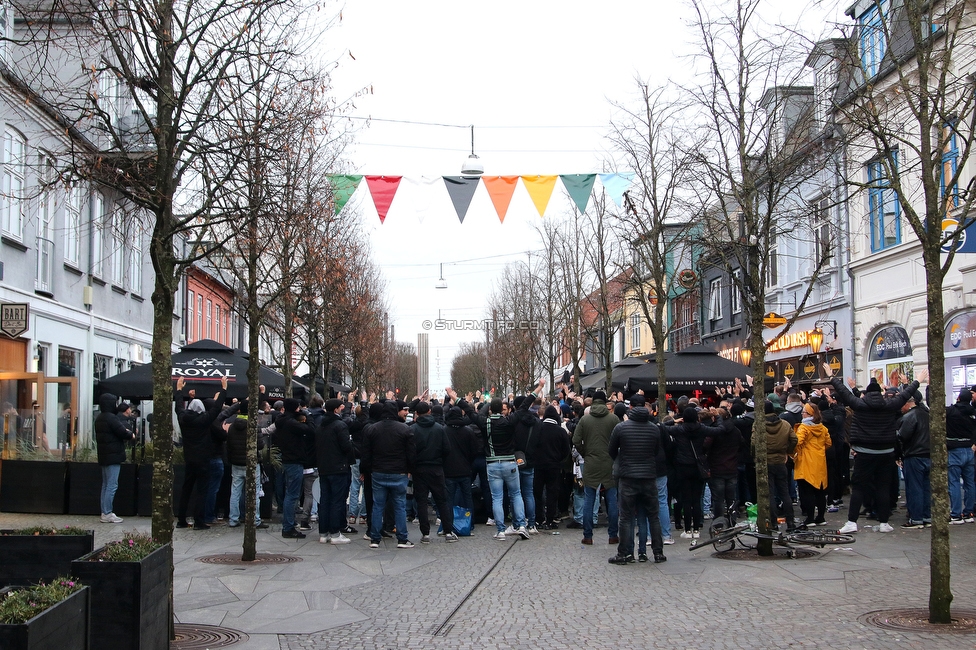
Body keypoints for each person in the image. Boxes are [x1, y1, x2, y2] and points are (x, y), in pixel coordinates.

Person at [826, 363, 922, 534]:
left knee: (859, 487)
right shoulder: (890, 405)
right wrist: (917, 381)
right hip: (886, 452)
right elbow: (906, 394)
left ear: (867, 393)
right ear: (881, 393)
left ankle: (851, 521)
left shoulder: (859, 405)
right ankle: (884, 522)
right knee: (883, 487)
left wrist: (832, 377)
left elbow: (844, 393)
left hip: (864, 452)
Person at [607, 395, 666, 564]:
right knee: (653, 516)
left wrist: (625, 459)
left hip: (628, 477)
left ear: (630, 408)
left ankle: (624, 553)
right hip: (648, 476)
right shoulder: (654, 429)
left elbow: (611, 451)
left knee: (625, 517)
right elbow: (656, 452)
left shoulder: (621, 428)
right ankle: (658, 552)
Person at [175, 376, 227, 530]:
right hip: (203, 458)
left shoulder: (183, 418)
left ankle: (181, 519)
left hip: (189, 458)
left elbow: (178, 406)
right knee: (202, 490)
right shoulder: (204, 420)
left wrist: (179, 390)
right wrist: (224, 389)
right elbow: (216, 408)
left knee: (186, 488)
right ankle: (199, 521)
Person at [362, 401, 416, 548]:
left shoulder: (372, 429)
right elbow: (411, 453)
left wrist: (366, 470)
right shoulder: (404, 429)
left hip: (378, 471)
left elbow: (366, 453)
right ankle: (402, 538)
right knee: (399, 505)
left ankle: (374, 537)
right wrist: (410, 469)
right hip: (398, 472)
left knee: (377, 505)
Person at [572, 390, 620, 546]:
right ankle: (613, 535)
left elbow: (576, 439)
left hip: (591, 463)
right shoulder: (613, 419)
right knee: (612, 501)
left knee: (589, 500)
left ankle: (588, 536)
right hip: (609, 463)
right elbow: (621, 438)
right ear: (605, 402)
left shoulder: (585, 420)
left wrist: (585, 452)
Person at [410, 401, 456, 543]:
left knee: (422, 501)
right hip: (436, 468)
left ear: (416, 414)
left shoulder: (413, 429)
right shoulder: (439, 428)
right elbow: (447, 449)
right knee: (442, 500)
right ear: (429, 412)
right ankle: (448, 531)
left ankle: (425, 534)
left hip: (419, 469)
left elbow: (410, 451)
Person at [753, 401, 797, 531]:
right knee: (784, 492)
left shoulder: (759, 425)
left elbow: (754, 442)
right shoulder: (785, 424)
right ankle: (790, 521)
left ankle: (773, 522)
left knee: (769, 493)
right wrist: (787, 451)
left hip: (766, 461)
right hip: (780, 460)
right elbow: (794, 439)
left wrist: (756, 457)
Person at [316, 398, 356, 544]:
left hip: (324, 467)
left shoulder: (320, 425)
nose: (343, 408)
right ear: (336, 410)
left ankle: (323, 532)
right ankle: (335, 533)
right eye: (341, 407)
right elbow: (346, 447)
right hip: (338, 467)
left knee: (325, 500)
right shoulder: (340, 426)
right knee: (337, 500)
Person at [275, 398, 315, 539]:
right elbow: (310, 430)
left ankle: (289, 525)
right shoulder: (291, 423)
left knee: (290, 494)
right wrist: (308, 416)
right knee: (292, 495)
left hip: (288, 459)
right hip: (295, 460)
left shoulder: (281, 421)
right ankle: (288, 526)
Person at [94, 392, 135, 523]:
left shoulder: (99, 418)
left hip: (104, 455)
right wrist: (131, 434)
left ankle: (104, 511)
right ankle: (107, 513)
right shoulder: (112, 418)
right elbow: (122, 432)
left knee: (106, 485)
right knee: (112, 485)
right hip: (113, 455)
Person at [793, 402, 831, 528]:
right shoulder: (822, 428)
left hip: (806, 463)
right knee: (820, 491)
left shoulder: (803, 428)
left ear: (809, 414)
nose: (802, 414)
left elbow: (797, 441)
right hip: (819, 462)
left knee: (807, 492)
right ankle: (821, 517)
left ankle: (810, 518)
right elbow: (828, 443)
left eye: (803, 412)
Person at [533, 405, 572, 530]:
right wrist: (559, 460)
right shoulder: (560, 431)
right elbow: (567, 450)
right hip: (554, 466)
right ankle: (550, 519)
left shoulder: (537, 428)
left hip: (538, 465)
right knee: (552, 493)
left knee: (538, 492)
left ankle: (539, 518)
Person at [896, 389, 930, 528]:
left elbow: (902, 437)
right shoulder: (927, 414)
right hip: (928, 454)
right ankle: (927, 516)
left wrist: (899, 454)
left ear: (907, 403)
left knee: (914, 488)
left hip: (914, 455)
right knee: (927, 488)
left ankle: (916, 518)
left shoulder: (910, 417)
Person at [945, 388, 976, 524]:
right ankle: (969, 512)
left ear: (958, 398)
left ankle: (956, 514)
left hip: (954, 449)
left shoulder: (952, 411)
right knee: (970, 483)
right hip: (969, 450)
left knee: (954, 482)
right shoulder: (973, 413)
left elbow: (933, 406)